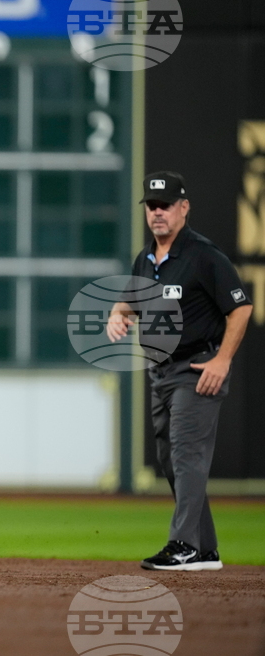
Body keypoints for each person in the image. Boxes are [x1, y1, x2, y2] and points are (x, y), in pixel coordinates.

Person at [106, 171, 253, 571]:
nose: (158, 213)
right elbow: (128, 302)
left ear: (183, 208)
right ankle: (204, 549)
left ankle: (183, 544)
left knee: (187, 454)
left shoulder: (203, 255)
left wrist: (222, 359)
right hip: (161, 372)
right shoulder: (146, 258)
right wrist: (117, 317)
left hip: (197, 367)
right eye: (152, 206)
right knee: (171, 460)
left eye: (166, 205)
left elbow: (240, 306)